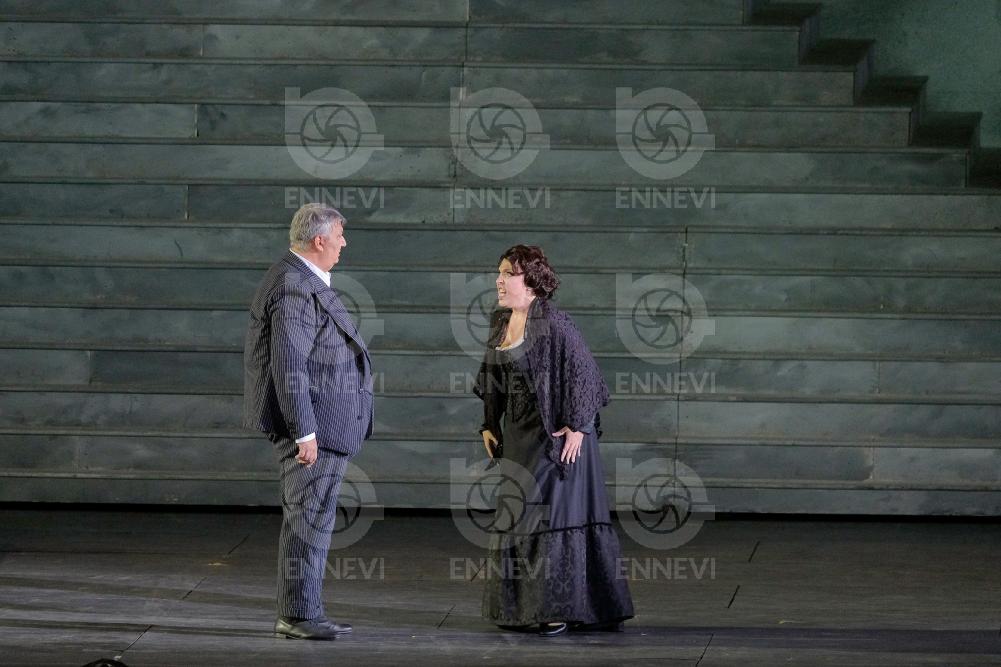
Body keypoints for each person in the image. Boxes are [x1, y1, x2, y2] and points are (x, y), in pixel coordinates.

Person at [474, 244, 634, 637]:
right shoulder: (501, 321)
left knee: (553, 516)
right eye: (500, 272)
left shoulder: (555, 323)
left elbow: (587, 376)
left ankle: (557, 608)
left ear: (531, 282)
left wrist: (579, 426)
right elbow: (493, 378)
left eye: (509, 273)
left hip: (556, 438)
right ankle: (521, 608)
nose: (499, 280)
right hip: (519, 434)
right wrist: (489, 424)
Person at [243, 203, 374, 640]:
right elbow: (289, 366)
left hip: (322, 427)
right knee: (308, 521)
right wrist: (305, 432)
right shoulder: (293, 286)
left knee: (312, 520)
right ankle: (298, 616)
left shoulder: (301, 279)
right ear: (319, 241)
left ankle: (305, 612)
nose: (344, 243)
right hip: (312, 430)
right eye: (339, 236)